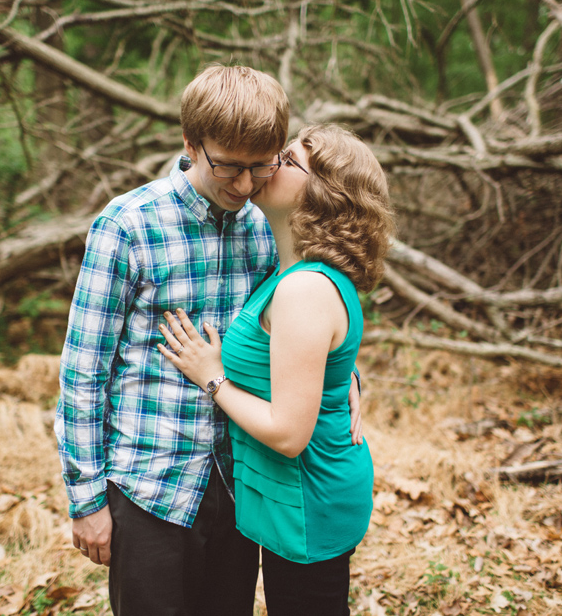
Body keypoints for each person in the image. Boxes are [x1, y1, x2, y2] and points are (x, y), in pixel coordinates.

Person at [55, 66, 362, 616]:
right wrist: (86, 500)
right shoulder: (128, 226)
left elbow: (299, 325)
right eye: (227, 166)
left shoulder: (265, 226)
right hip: (151, 487)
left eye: (261, 166)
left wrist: (347, 377)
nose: (244, 185)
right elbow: (84, 372)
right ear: (191, 144)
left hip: (239, 489)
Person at [159, 123, 395, 616]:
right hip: (294, 492)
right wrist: (344, 380)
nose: (268, 165)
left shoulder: (304, 288)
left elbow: (289, 434)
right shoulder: (286, 272)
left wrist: (211, 376)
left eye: (287, 160)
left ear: (324, 194)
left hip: (308, 497)